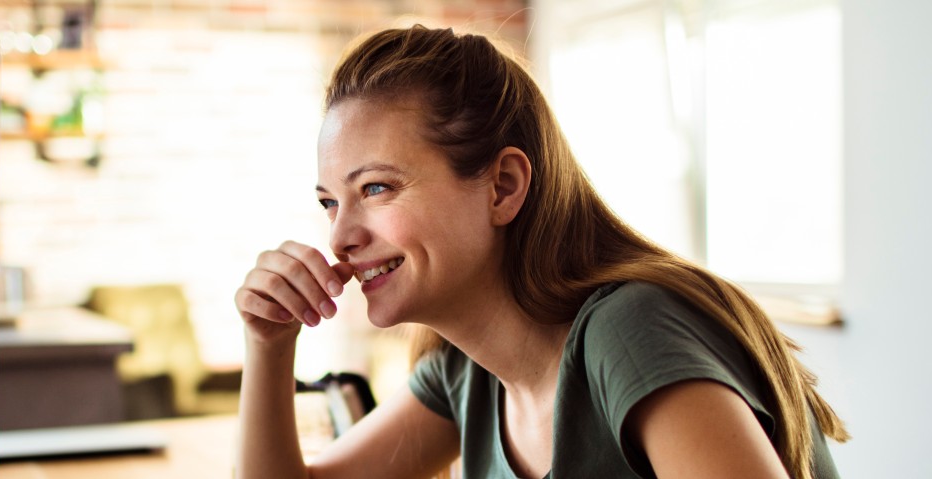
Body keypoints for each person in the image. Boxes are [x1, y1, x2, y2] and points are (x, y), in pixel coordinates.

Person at [234, 25, 849, 479]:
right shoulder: (465, 375)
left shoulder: (629, 332)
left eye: (377, 187)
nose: (340, 235)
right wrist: (268, 346)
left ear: (503, 187)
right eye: (329, 203)